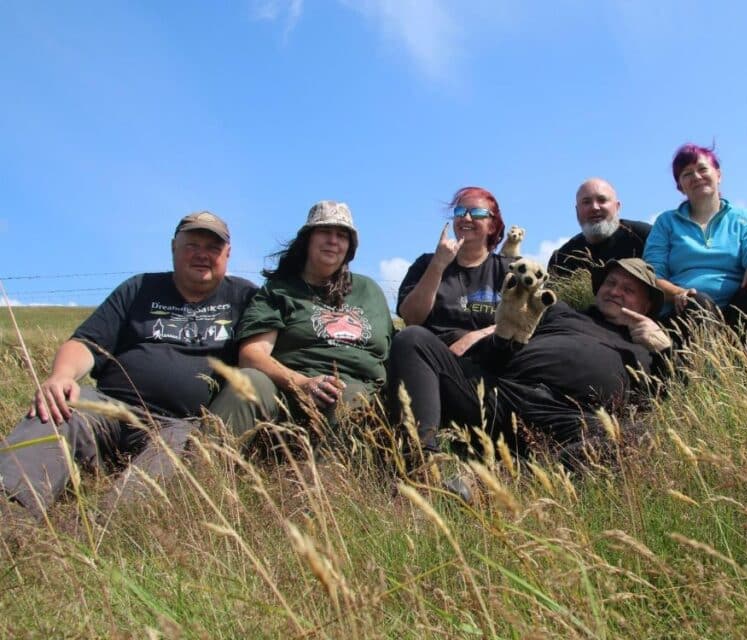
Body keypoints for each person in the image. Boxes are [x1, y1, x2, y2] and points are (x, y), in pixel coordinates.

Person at [0, 212, 256, 526]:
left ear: (227, 254)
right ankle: (10, 512)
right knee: (55, 412)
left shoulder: (244, 297)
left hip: (180, 424)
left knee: (165, 467)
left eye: (213, 248)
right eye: (192, 245)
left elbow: (263, 352)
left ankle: (90, 536)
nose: (202, 254)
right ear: (174, 248)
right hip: (108, 407)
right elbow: (85, 343)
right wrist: (62, 376)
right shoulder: (139, 288)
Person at [387, 257, 673, 475]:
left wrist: (663, 351)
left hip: (569, 418)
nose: (615, 291)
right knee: (413, 339)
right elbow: (488, 363)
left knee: (637, 438)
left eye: (628, 289)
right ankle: (419, 469)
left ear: (646, 305)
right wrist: (502, 338)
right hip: (502, 396)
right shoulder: (557, 311)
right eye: (610, 282)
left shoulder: (647, 348)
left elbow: (663, 402)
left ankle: (511, 480)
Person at [208, 201, 392, 447]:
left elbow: (388, 351)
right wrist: (303, 384)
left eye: (342, 235)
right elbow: (252, 354)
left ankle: (322, 482)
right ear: (307, 239)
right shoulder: (280, 290)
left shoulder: (369, 291)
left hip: (353, 392)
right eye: (325, 232)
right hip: (288, 391)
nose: (333, 241)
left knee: (350, 395)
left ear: (350, 247)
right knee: (250, 380)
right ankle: (199, 471)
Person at [643, 144, 747, 354]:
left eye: (703, 169)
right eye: (687, 174)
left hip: (739, 307)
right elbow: (652, 275)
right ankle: (707, 374)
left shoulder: (746, 218)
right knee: (698, 301)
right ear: (680, 186)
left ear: (718, 174)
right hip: (690, 309)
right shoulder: (667, 222)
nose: (696, 177)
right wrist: (680, 293)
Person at [397, 186, 513, 356]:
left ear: (492, 227)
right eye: (460, 211)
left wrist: (475, 336)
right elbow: (411, 318)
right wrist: (438, 264)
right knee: (410, 337)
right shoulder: (426, 263)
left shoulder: (510, 269)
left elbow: (528, 318)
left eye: (477, 213)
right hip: (434, 358)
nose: (466, 218)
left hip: (491, 356)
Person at [548, 178, 651, 279]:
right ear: (577, 211)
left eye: (602, 200)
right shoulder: (561, 259)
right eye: (586, 202)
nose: (594, 207)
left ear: (617, 207)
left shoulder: (647, 237)